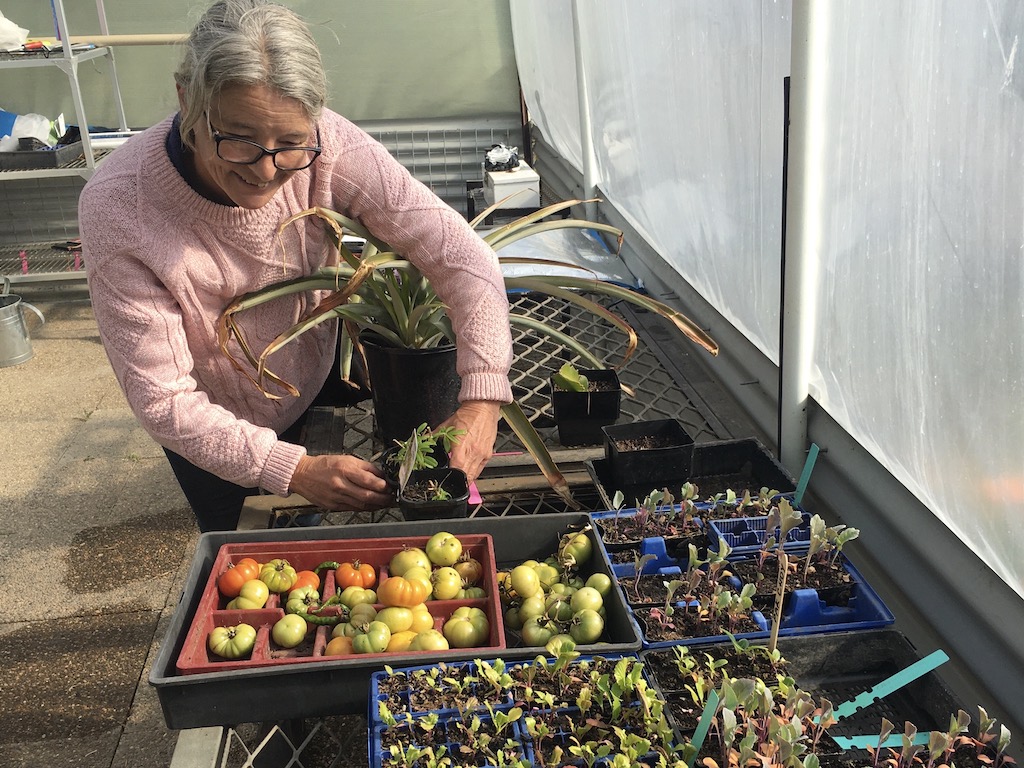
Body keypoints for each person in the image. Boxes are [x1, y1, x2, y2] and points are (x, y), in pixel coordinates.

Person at [78, 0, 513, 532]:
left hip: (311, 367)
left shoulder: (329, 142)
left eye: (290, 144)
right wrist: (290, 467)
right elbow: (164, 399)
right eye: (238, 140)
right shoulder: (120, 206)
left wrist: (485, 396)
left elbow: (463, 256)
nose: (266, 170)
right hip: (211, 423)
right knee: (245, 556)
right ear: (187, 98)